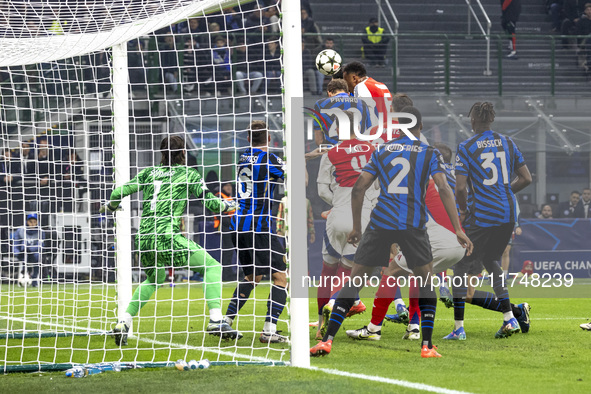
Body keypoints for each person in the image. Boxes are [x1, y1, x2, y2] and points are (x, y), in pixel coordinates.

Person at [310, 106, 472, 358]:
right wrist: (458, 229)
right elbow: (443, 188)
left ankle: (327, 340)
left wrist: (356, 226)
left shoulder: (382, 150)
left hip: (381, 221)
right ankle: (426, 345)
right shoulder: (429, 153)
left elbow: (358, 188)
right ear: (419, 127)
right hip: (413, 224)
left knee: (356, 280)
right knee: (426, 281)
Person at [100, 136, 240, 346]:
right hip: (166, 235)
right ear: (183, 153)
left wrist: (111, 207)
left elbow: (119, 191)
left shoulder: (148, 172)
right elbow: (209, 201)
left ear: (162, 153)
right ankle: (216, 320)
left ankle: (123, 323)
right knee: (213, 266)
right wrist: (227, 207)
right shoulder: (188, 174)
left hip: (144, 237)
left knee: (154, 279)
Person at [346, 143, 466, 343]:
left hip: (439, 240)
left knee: (391, 271)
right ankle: (422, 327)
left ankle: (374, 328)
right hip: (458, 243)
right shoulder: (446, 178)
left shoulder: (415, 181)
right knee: (418, 276)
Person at [450, 101, 532, 340]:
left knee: (461, 268)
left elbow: (461, 187)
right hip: (507, 213)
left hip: (483, 216)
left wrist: (464, 211)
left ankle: (458, 329)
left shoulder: (466, 146)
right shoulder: (508, 142)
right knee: (491, 260)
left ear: (472, 120)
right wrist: (503, 194)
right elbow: (526, 178)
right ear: (492, 119)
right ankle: (509, 319)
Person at [224, 121, 289, 344]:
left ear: (249, 139)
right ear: (268, 138)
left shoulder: (243, 158)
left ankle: (226, 321)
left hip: (237, 227)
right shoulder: (268, 159)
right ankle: (269, 331)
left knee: (253, 277)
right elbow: (289, 174)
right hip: (258, 228)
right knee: (281, 277)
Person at [314, 110, 377, 340]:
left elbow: (322, 190)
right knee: (349, 271)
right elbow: (378, 187)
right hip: (362, 217)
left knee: (327, 271)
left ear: (338, 128)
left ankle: (321, 323)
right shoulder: (372, 149)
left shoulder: (330, 153)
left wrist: (338, 202)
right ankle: (334, 302)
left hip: (337, 214)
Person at [311, 78, 372, 146]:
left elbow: (319, 140)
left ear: (329, 93)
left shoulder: (320, 104)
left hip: (332, 151)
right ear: (348, 93)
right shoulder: (362, 103)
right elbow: (369, 131)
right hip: (359, 150)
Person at [342, 61, 392, 129]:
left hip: (377, 132)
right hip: (389, 128)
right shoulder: (381, 85)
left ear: (354, 78)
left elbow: (366, 115)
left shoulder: (361, 87)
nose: (346, 86)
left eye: (346, 81)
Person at [13, 213, 45, 288]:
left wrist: (30, 249)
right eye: (31, 222)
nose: (32, 224)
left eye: (34, 222)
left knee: (38, 256)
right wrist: (17, 253)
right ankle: (23, 275)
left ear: (37, 222)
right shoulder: (20, 230)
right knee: (24, 251)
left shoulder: (40, 231)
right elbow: (16, 244)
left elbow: (41, 245)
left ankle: (34, 279)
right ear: (27, 222)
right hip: (23, 253)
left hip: (34, 254)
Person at [214, 182, 238, 281]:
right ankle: (225, 275)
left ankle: (228, 273)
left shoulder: (230, 197)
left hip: (231, 226)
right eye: (227, 186)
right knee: (227, 251)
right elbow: (220, 213)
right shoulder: (220, 196)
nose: (229, 188)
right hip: (224, 226)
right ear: (222, 187)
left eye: (230, 186)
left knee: (230, 251)